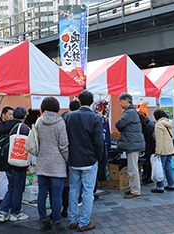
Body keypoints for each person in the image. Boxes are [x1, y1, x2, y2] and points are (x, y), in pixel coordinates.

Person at [66, 90, 104, 232]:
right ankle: (84, 222)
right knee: (88, 191)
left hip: (73, 159)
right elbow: (99, 141)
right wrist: (98, 158)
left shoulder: (70, 116)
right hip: (89, 159)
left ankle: (73, 220)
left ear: (79, 101)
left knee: (74, 189)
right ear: (92, 102)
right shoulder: (95, 118)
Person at [35, 97, 68, 232]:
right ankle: (56, 221)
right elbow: (64, 145)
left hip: (42, 161)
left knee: (42, 192)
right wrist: (66, 160)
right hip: (57, 163)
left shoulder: (39, 121)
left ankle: (43, 219)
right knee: (56, 194)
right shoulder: (60, 123)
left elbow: (36, 142)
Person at [0, 107, 30, 222]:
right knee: (18, 188)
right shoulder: (23, 127)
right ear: (24, 116)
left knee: (12, 186)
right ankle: (15, 213)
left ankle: (3, 212)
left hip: (6, 161)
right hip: (18, 161)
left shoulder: (3, 125)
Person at [115, 92, 145, 199]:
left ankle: (136, 191)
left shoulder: (129, 112)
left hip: (132, 144)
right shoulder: (132, 111)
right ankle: (133, 188)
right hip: (133, 144)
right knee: (133, 168)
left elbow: (119, 124)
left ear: (127, 101)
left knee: (133, 169)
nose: (120, 103)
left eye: (121, 101)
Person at [151, 109, 174, 193]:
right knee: (168, 167)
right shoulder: (169, 122)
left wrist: (158, 152)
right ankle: (171, 184)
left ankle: (160, 186)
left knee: (160, 168)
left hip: (163, 149)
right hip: (170, 148)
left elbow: (159, 140)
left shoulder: (159, 125)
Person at [138, 114, 155, 185]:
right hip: (149, 146)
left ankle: (150, 177)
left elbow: (150, 140)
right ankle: (147, 176)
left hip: (150, 147)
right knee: (146, 161)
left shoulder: (148, 128)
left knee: (148, 162)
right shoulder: (147, 125)